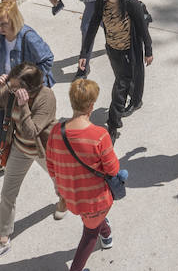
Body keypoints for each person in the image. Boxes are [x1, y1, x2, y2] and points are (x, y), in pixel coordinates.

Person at [0, 62, 63, 265]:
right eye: (11, 84)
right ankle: (3, 239)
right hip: (19, 149)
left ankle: (63, 199)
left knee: (60, 180)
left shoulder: (46, 97)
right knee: (8, 194)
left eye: (15, 87)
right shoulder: (10, 92)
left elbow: (31, 132)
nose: (11, 89)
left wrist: (23, 106)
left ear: (30, 89)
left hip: (43, 149)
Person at [0, 0, 55, 180]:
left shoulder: (28, 36)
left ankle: (51, 163)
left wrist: (30, 84)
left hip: (29, 91)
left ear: (14, 21)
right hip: (7, 89)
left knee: (33, 130)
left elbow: (47, 59)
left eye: (3, 23)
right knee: (2, 127)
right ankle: (0, 163)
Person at [47, 79, 122, 271]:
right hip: (95, 200)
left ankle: (106, 236)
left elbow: (51, 166)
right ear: (91, 106)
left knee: (94, 221)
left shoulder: (56, 132)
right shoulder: (100, 135)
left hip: (72, 196)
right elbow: (112, 170)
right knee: (89, 234)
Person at [78, 0, 154, 143]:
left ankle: (112, 124)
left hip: (130, 50)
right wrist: (84, 53)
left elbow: (143, 29)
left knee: (121, 84)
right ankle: (136, 100)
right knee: (123, 79)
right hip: (112, 49)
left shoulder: (130, 4)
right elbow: (92, 27)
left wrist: (148, 50)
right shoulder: (101, 3)